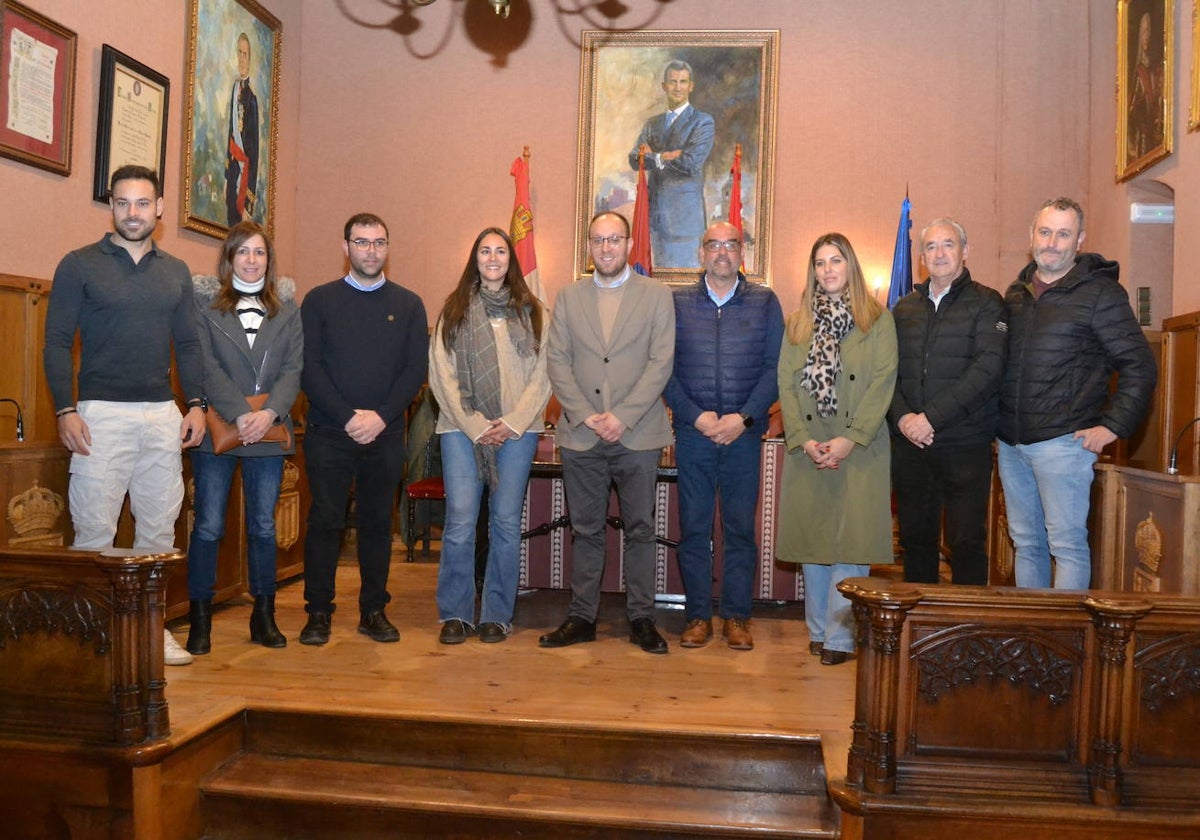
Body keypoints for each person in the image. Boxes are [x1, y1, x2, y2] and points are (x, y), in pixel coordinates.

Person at [43, 164, 207, 667]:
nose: (131, 213)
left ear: (159, 209)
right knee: (95, 533)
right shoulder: (79, 264)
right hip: (98, 415)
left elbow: (188, 343)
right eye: (122, 203)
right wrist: (65, 410)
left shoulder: (176, 271)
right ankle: (92, 639)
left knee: (158, 532)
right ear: (110, 206)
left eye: (142, 203)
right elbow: (54, 341)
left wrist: (197, 403)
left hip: (161, 414)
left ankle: (151, 632)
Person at [998, 198, 1156, 589]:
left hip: (1064, 445)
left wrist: (1112, 426)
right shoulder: (1015, 294)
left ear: (1080, 240)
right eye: (1045, 232)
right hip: (1011, 445)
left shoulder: (1101, 294)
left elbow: (1141, 365)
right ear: (1031, 236)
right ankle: (1033, 641)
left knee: (1066, 545)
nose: (1052, 242)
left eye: (1063, 234)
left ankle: (1065, 647)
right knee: (1026, 544)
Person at [541, 211, 676, 654]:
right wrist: (586, 413)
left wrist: (622, 415)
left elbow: (661, 363)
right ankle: (582, 617)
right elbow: (557, 361)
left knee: (640, 529)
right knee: (586, 530)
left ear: (629, 243)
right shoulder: (568, 296)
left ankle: (641, 617)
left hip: (637, 435)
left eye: (614, 239)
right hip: (582, 435)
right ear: (589, 246)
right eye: (597, 240)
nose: (605, 248)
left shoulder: (656, 296)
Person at [298, 213, 428, 645]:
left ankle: (373, 610)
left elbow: (414, 371)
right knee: (325, 522)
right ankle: (318, 612)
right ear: (345, 247)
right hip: (329, 432)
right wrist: (349, 417)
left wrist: (380, 416)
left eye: (378, 242)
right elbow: (309, 369)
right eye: (361, 242)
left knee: (377, 524)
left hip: (386, 434)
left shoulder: (409, 305)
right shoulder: (319, 300)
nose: (370, 250)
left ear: (388, 248)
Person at [777, 233, 897, 665]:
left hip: (859, 447)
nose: (827, 270)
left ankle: (841, 638)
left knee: (851, 544)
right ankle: (817, 631)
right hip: (809, 447)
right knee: (815, 545)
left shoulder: (878, 319)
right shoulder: (797, 322)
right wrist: (805, 440)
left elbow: (884, 381)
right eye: (820, 263)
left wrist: (850, 438)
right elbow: (786, 385)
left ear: (851, 267)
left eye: (836, 261)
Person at [663, 221, 783, 651]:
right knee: (694, 529)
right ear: (701, 253)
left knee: (739, 531)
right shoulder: (675, 304)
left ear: (741, 253)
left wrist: (744, 418)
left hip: (743, 438)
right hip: (693, 435)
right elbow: (665, 370)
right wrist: (695, 417)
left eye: (730, 245)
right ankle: (697, 616)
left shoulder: (765, 302)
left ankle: (736, 616)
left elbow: (775, 369)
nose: (722, 252)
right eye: (713, 245)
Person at [184, 221, 302, 655]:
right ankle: (200, 620)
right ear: (229, 258)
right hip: (218, 425)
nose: (252, 260)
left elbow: (294, 369)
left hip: (269, 429)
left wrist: (269, 412)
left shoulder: (288, 310)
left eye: (260, 253)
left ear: (269, 261)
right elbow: (203, 365)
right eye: (243, 252)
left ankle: (264, 615)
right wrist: (240, 413)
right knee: (209, 526)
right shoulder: (204, 306)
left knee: (264, 526)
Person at [428, 228, 551, 645]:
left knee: (503, 523)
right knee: (461, 522)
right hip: (461, 431)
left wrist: (514, 421)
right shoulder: (455, 310)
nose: (493, 257)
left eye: (501, 251)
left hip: (518, 431)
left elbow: (545, 374)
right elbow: (440, 375)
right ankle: (456, 614)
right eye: (485, 250)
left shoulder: (533, 311)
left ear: (510, 260)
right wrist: (476, 425)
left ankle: (497, 614)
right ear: (475, 258)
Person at [889, 218, 1006, 586]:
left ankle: (965, 636)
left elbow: (987, 370)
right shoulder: (904, 309)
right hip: (910, 446)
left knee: (966, 543)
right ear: (922, 257)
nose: (939, 253)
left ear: (965, 251)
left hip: (964, 444)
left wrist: (931, 419)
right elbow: (886, 375)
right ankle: (918, 636)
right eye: (931, 246)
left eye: (948, 244)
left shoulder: (988, 303)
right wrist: (904, 418)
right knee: (916, 542)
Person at [628, 60, 715, 269]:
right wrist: (665, 156)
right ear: (664, 86)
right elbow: (634, 159)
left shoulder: (702, 122)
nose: (678, 87)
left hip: (684, 224)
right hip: (652, 222)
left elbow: (691, 163)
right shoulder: (652, 124)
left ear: (691, 86)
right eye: (673, 81)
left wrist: (654, 156)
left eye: (683, 82)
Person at [226, 32, 260, 226]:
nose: (241, 58)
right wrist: (225, 176)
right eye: (239, 53)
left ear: (250, 59)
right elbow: (229, 135)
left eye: (245, 54)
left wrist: (249, 200)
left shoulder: (251, 99)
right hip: (232, 173)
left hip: (243, 175)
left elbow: (254, 154)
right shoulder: (234, 91)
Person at [1128, 11, 1163, 161]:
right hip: (1143, 132)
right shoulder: (1139, 72)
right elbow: (1133, 106)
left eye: (1149, 31)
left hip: (1156, 128)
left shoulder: (1158, 69)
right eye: (1144, 31)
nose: (1147, 35)